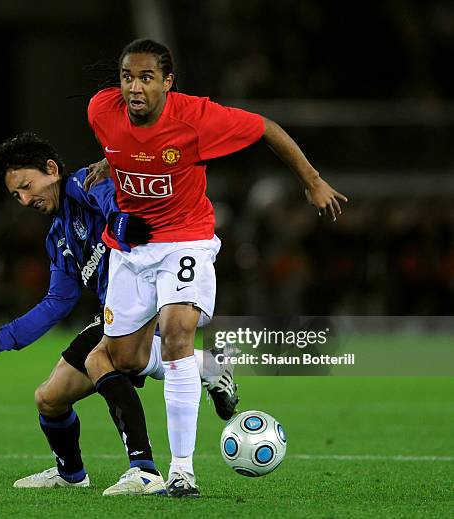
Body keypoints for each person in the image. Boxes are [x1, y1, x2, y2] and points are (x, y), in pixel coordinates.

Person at [85, 38, 348, 497]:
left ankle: (181, 471)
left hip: (185, 242)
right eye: (128, 77)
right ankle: (209, 369)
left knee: (176, 334)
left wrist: (313, 180)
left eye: (147, 77)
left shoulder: (197, 119)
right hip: (131, 251)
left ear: (168, 82)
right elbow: (127, 145)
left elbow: (266, 127)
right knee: (124, 359)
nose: (135, 87)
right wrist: (110, 162)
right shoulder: (100, 110)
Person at [0, 132, 238, 495]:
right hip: (114, 314)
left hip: (151, 295)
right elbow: (56, 303)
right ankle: (71, 473)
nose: (25, 199)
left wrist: (119, 222)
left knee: (100, 359)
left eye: (27, 186)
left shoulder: (84, 184)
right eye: (16, 195)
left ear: (51, 169)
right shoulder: (58, 237)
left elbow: (116, 203)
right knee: (49, 398)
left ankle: (144, 470)